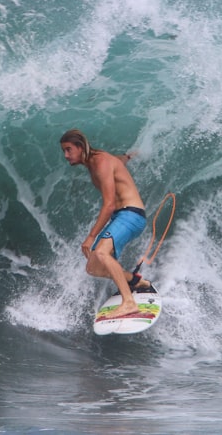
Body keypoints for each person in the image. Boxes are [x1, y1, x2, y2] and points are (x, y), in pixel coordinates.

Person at [60, 128, 152, 319]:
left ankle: (129, 303)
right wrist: (128, 156)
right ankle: (136, 282)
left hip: (130, 214)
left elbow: (109, 204)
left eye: (69, 149)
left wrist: (91, 236)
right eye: (64, 151)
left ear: (80, 146)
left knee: (101, 252)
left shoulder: (100, 162)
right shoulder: (97, 161)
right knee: (93, 267)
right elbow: (117, 162)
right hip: (123, 216)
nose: (66, 155)